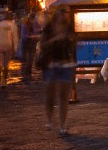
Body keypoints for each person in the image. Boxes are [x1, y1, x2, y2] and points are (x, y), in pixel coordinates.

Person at [41, 8, 76, 138]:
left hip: (66, 64)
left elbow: (72, 45)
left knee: (64, 96)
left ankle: (62, 125)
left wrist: (71, 41)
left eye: (66, 14)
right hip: (51, 65)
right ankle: (49, 120)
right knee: (50, 95)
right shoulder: (49, 28)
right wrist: (56, 39)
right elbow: (42, 44)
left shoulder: (69, 27)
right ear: (57, 14)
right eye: (62, 13)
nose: (64, 16)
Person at [0, 11, 19, 87]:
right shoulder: (13, 25)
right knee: (6, 65)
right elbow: (15, 38)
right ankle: (4, 81)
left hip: (0, 45)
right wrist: (15, 49)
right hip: (8, 46)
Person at [21, 13, 41, 81]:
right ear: (29, 18)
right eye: (32, 19)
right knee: (27, 59)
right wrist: (30, 37)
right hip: (26, 44)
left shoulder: (35, 24)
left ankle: (28, 73)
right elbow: (23, 36)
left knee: (31, 59)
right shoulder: (25, 25)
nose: (33, 21)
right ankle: (27, 73)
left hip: (33, 44)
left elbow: (38, 31)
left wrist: (37, 36)